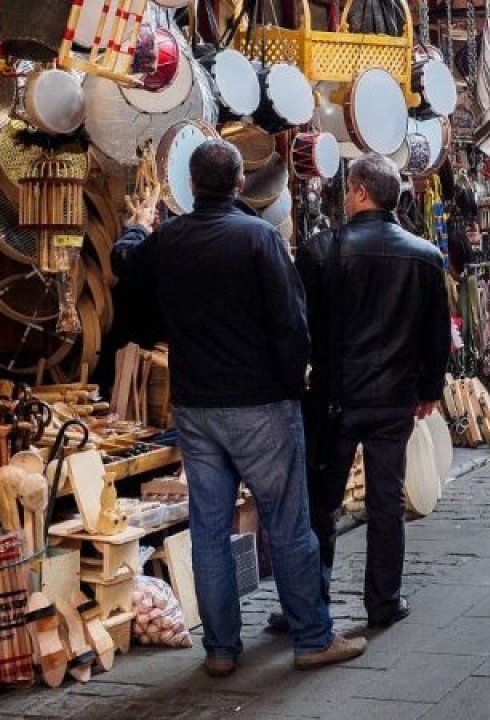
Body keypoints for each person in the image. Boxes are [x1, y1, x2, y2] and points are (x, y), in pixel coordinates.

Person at [114, 140, 366, 676]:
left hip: (196, 406)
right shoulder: (259, 238)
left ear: (192, 185)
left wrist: (136, 224)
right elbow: (291, 324)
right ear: (237, 184)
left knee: (208, 529)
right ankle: (311, 638)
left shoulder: (169, 239)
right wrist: (290, 384)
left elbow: (128, 264)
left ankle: (222, 650)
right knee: (288, 523)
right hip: (260, 403)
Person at [294, 154, 452, 630]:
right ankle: (383, 602)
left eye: (347, 190)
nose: (345, 198)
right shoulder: (424, 255)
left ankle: (311, 602)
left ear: (361, 191)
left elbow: (301, 327)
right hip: (394, 400)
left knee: (321, 504)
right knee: (386, 503)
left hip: (334, 400)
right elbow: (436, 334)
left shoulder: (321, 250)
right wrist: (428, 388)